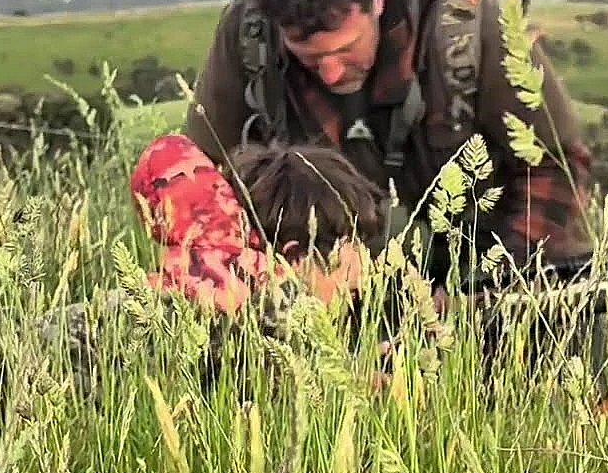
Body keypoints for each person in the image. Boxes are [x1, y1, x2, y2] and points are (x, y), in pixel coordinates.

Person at [151, 0, 606, 379]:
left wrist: (482, 292)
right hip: (331, 285)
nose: (330, 72)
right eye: (309, 57)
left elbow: (555, 166)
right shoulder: (248, 36)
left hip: (491, 260)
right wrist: (269, 294)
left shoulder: (469, 25)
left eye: (345, 50)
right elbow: (202, 187)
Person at [35, 133, 396, 398]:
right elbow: (291, 375)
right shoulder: (253, 314)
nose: (366, 269)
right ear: (295, 256)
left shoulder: (205, 288)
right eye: (356, 247)